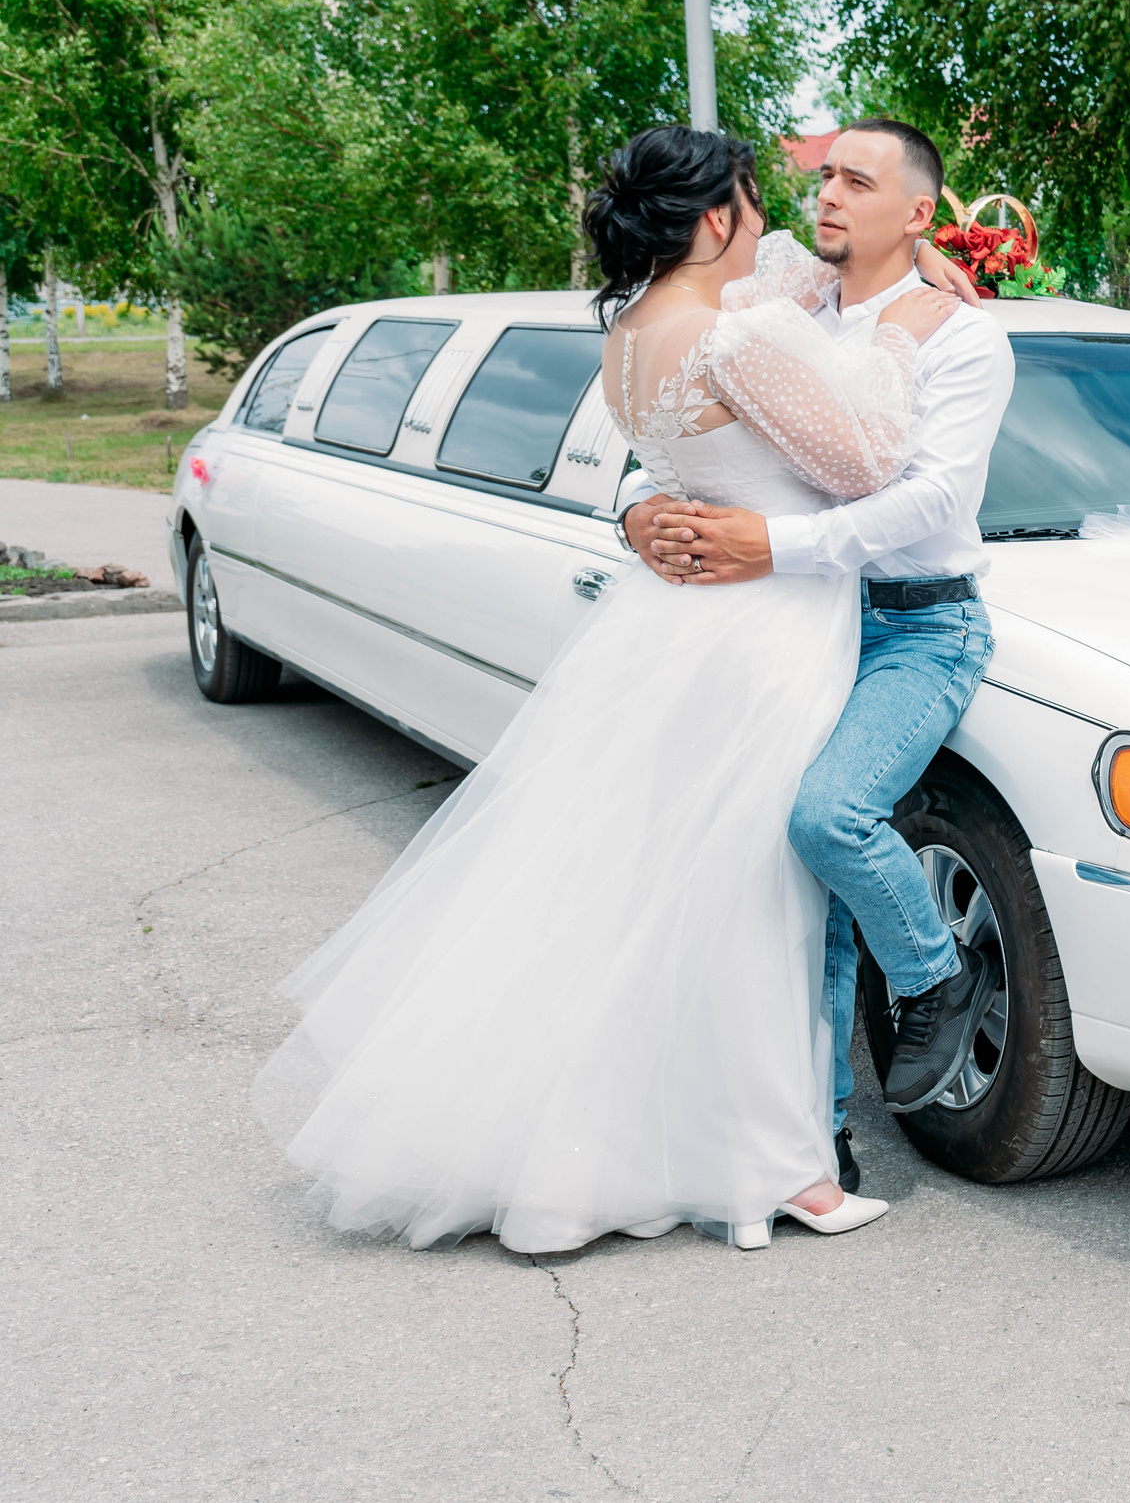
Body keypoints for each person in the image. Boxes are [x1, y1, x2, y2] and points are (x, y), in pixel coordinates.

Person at [253, 125, 963, 1253]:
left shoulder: (637, 330)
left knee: (649, 888)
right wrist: (909, 331)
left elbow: (720, 403)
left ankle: (662, 1146)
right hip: (757, 636)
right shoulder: (742, 338)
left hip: (666, 630)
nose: (778, 218)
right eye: (750, 200)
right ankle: (778, 1171)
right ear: (715, 218)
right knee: (752, 905)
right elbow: (870, 462)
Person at [617, 119, 1013, 1154]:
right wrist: (633, 510)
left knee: (829, 818)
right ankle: (818, 1134)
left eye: (857, 181)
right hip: (795, 626)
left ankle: (938, 974)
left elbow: (928, 503)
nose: (826, 194)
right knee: (801, 899)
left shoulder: (959, 334)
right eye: (825, 176)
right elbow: (674, 419)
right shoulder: (769, 301)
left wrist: (774, 548)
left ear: (919, 213)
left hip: (917, 627)